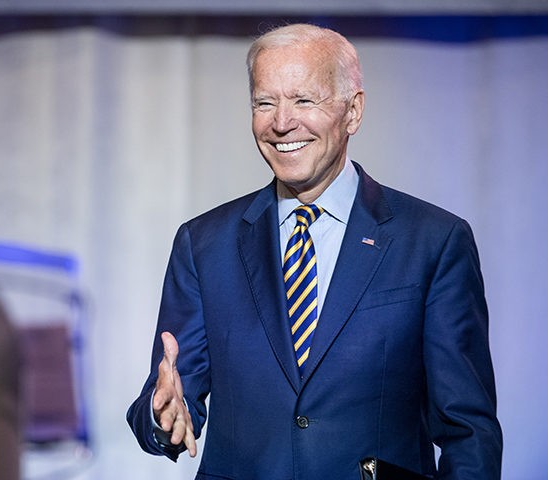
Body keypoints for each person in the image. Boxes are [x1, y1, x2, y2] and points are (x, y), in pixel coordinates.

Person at [127, 23, 502, 479]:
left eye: (304, 100)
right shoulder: (203, 244)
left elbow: (469, 433)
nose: (282, 122)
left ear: (353, 112)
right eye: (264, 102)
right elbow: (167, 399)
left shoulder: (434, 242)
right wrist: (161, 416)